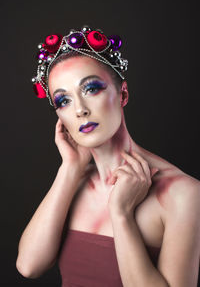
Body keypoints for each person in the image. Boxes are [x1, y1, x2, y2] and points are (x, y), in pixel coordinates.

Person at [16, 25, 200, 287]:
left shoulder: (182, 193)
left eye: (91, 89)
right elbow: (28, 266)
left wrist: (122, 214)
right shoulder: (73, 182)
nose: (80, 110)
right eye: (63, 100)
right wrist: (69, 169)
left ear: (122, 93)